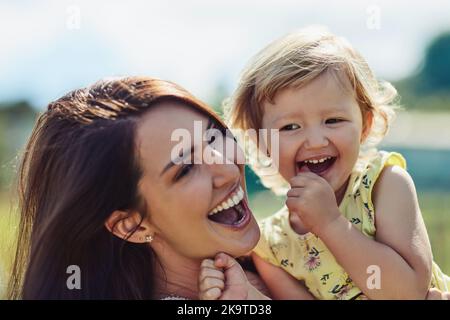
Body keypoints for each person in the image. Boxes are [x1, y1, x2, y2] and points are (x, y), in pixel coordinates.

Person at [218, 26, 450, 300]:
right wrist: (244, 293)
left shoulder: (384, 185)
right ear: (262, 144)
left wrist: (330, 223)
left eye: (333, 121)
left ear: (365, 124)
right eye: (291, 126)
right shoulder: (272, 247)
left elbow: (409, 294)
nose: (316, 141)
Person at [7, 76, 266, 299]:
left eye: (213, 137)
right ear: (132, 225)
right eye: (186, 169)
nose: (228, 169)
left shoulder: (280, 259)